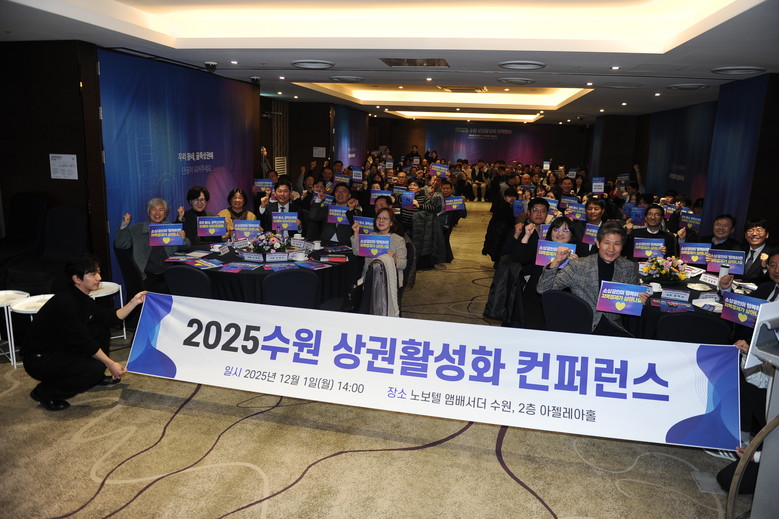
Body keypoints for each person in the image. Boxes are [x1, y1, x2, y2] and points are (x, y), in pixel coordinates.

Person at [22, 255, 147, 411]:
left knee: (100, 326)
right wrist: (110, 363)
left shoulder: (80, 297)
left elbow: (108, 317)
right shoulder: (65, 303)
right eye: (93, 274)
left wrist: (134, 302)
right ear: (77, 278)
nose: (99, 278)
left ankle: (97, 377)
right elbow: (84, 341)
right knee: (92, 370)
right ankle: (45, 393)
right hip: (40, 360)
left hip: (61, 347)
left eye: (98, 272)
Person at [538, 222, 647, 337]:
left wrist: (640, 301)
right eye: (607, 243)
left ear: (622, 246)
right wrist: (556, 262)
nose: (611, 249)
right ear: (598, 243)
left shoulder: (629, 267)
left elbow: (634, 304)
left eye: (617, 244)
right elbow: (543, 289)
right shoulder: (578, 265)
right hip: (581, 326)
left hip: (613, 327)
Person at [114, 197, 190, 292]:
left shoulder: (170, 228)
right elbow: (121, 244)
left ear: (165, 214)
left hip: (169, 272)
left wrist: (183, 239)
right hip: (147, 275)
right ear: (148, 212)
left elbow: (186, 246)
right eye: (154, 209)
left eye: (161, 210)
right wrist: (124, 225)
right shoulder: (137, 229)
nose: (157, 213)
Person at [351, 207, 407, 287]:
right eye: (378, 218)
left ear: (391, 223)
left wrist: (393, 259)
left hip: (390, 281)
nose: (381, 221)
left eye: (385, 218)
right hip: (370, 278)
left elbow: (403, 264)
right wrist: (356, 233)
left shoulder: (398, 240)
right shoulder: (371, 236)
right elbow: (356, 252)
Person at [741, 218, 771, 284]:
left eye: (759, 230)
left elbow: (773, 279)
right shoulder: (740, 250)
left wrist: (764, 267)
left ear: (767, 235)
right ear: (745, 235)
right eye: (750, 230)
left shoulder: (772, 254)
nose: (754, 234)